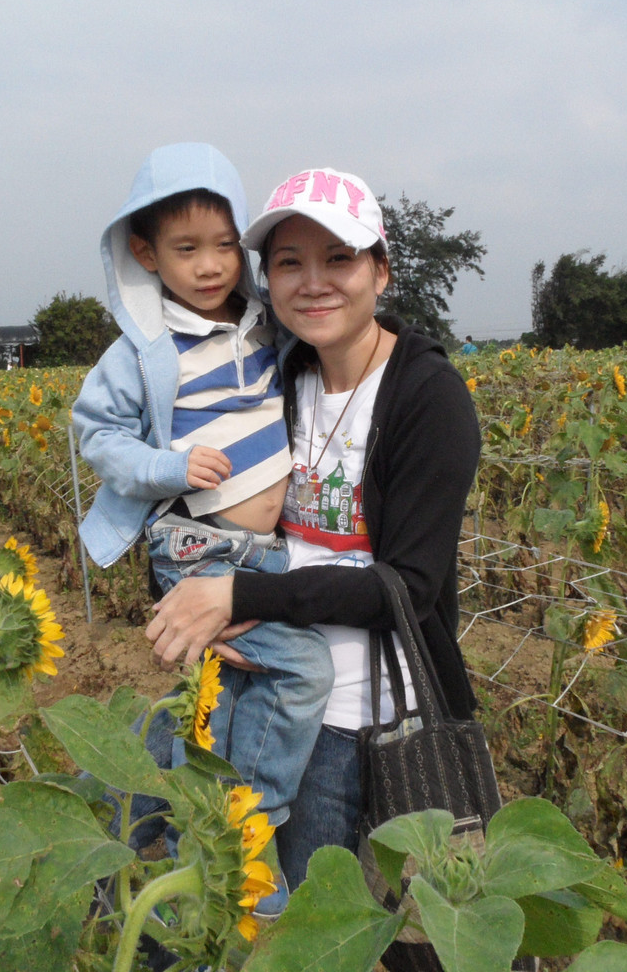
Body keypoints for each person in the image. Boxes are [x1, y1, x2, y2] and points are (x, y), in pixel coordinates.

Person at [145, 167, 483, 893]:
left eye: (339, 258)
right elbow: (193, 502)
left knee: (322, 916)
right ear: (266, 280)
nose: (314, 282)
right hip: (254, 691)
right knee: (215, 885)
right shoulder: (273, 377)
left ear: (380, 271)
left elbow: (409, 588)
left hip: (362, 722)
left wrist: (238, 598)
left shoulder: (427, 397)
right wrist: (190, 588)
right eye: (289, 262)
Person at [71, 144, 334, 865]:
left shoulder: (263, 324)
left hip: (266, 551)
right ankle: (234, 838)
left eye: (224, 245)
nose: (211, 265)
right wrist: (168, 465)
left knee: (219, 694)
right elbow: (97, 434)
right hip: (199, 544)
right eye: (186, 249)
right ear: (145, 253)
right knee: (299, 670)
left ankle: (122, 818)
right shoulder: (143, 350)